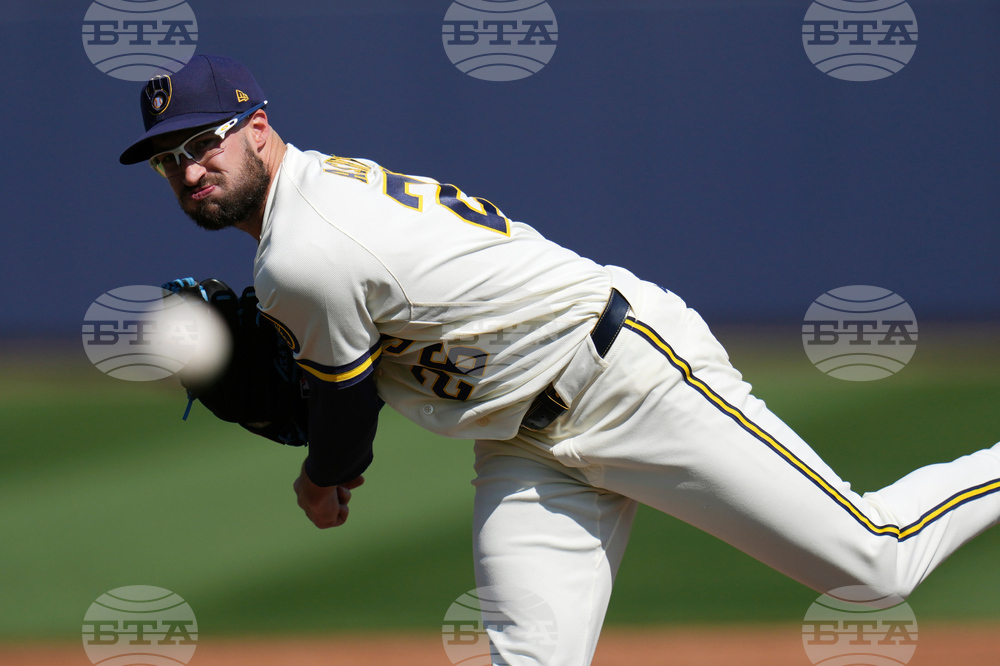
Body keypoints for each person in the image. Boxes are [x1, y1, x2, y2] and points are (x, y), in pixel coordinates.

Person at [120, 54, 1000, 665]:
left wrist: (324, 479)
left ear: (258, 128)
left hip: (627, 378)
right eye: (168, 160)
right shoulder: (307, 211)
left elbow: (345, 422)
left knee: (875, 564)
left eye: (203, 143)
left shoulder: (303, 251)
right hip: (523, 445)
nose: (189, 169)